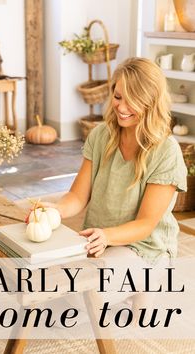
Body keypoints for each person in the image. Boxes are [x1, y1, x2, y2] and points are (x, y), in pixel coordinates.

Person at [40, 57, 188, 266]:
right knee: (65, 279)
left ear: (150, 103)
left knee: (90, 284)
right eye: (118, 97)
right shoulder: (101, 135)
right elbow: (77, 196)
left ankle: (146, 286)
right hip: (99, 238)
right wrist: (57, 210)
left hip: (145, 246)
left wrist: (107, 236)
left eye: (132, 101)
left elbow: (145, 224)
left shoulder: (166, 151)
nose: (121, 107)